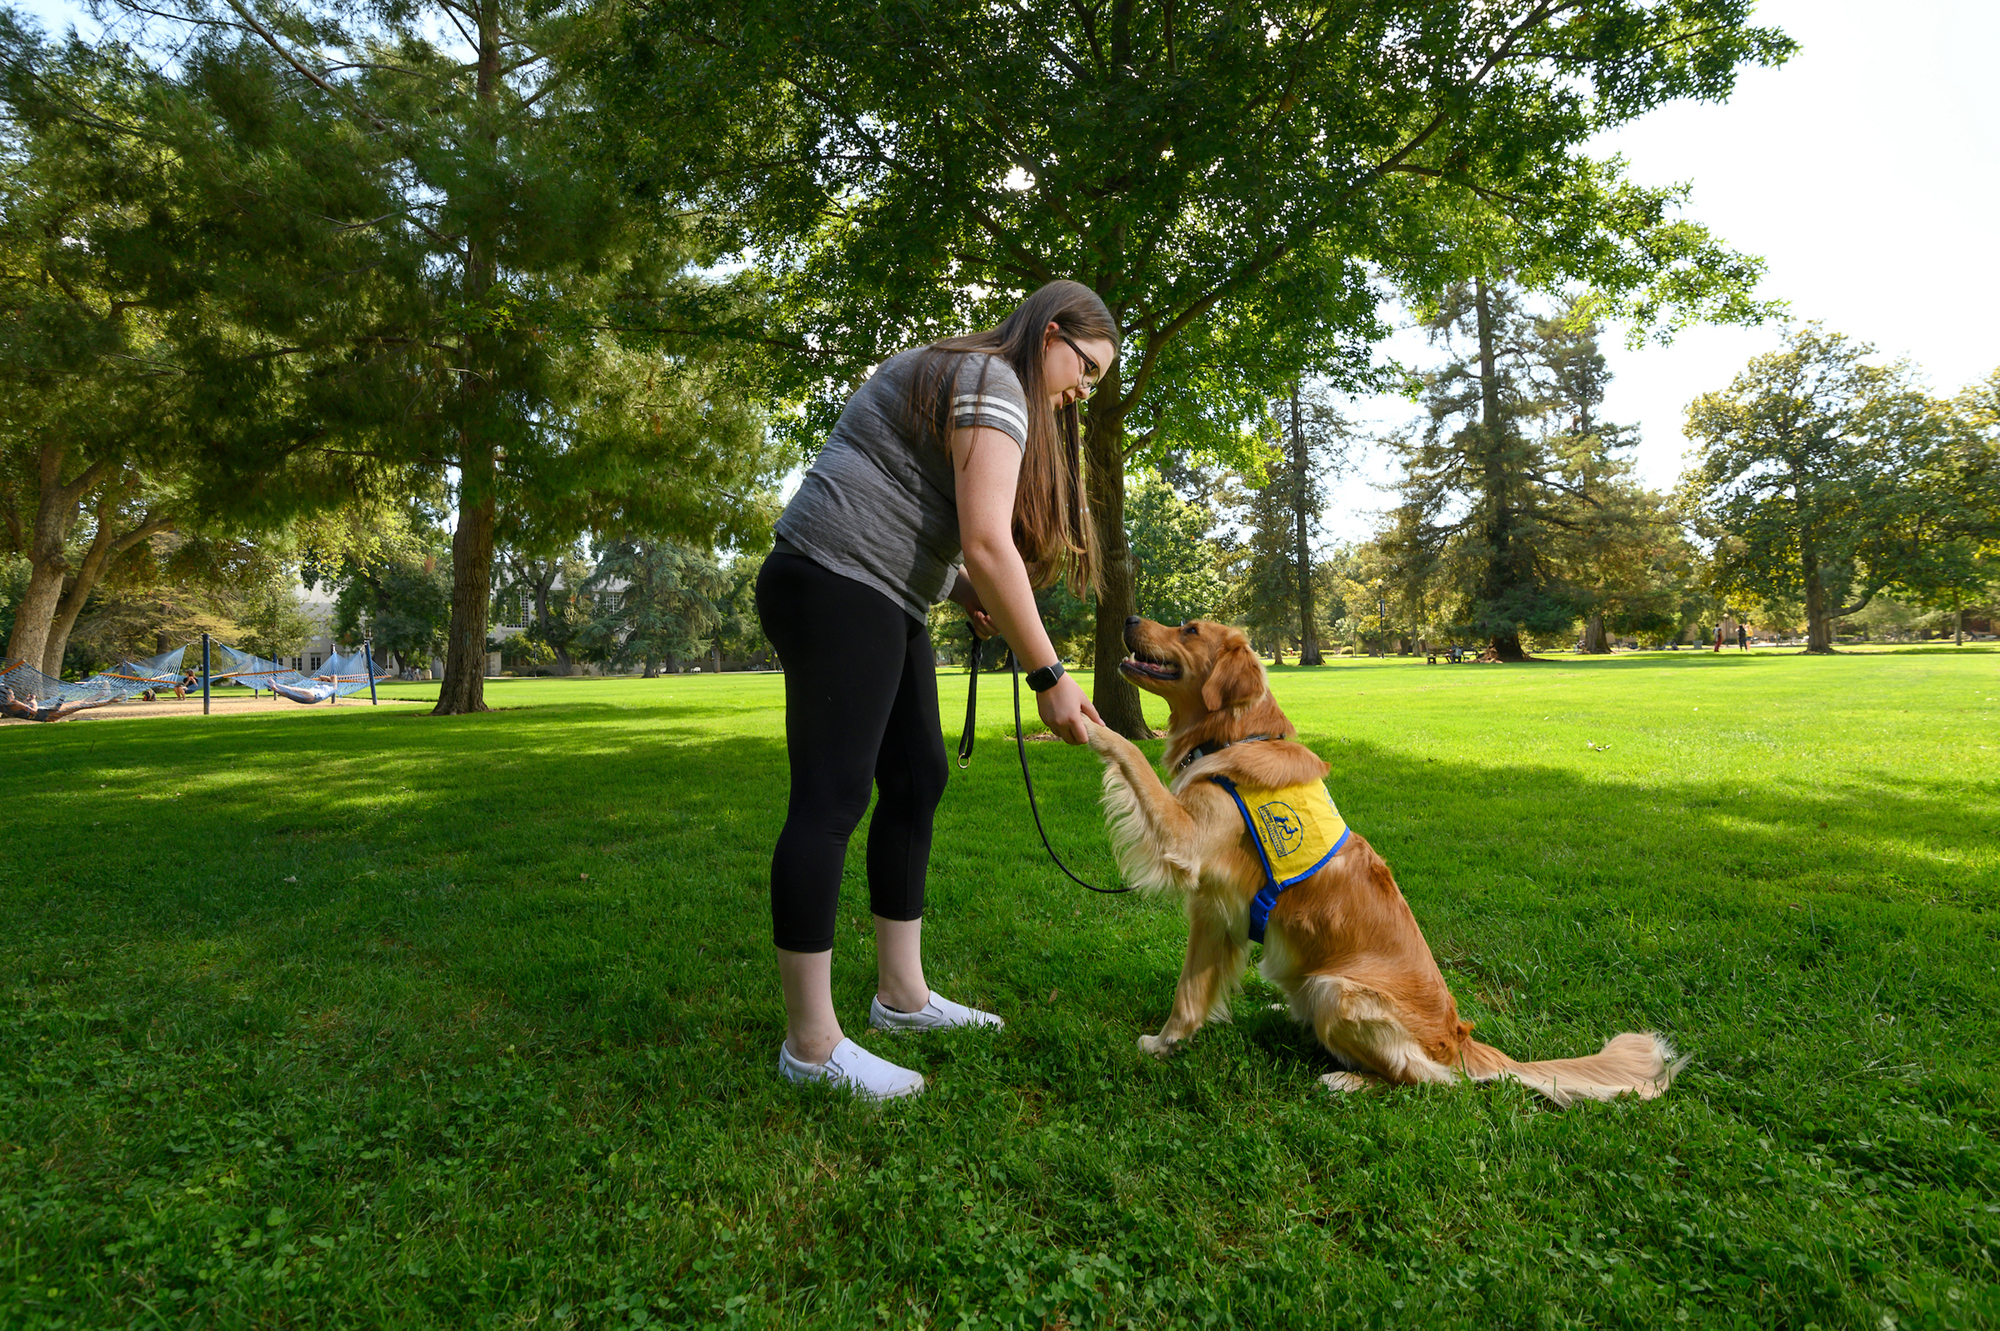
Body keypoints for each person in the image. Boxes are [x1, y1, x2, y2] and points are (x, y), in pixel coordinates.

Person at [755, 280, 1116, 1100]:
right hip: (836, 581)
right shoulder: (997, 383)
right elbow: (988, 538)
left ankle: (902, 995)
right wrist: (1049, 674)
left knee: (919, 774)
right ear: (1051, 332)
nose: (1080, 394)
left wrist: (956, 589)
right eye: (1084, 369)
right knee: (830, 799)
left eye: (1094, 385)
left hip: (882, 591)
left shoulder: (970, 374)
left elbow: (921, 500)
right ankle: (811, 1044)